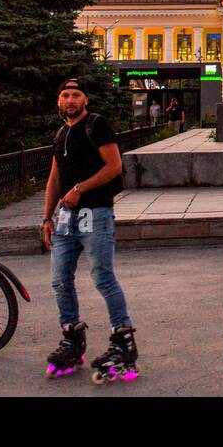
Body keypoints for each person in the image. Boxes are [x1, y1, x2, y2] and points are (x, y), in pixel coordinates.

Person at [42, 78, 138, 382]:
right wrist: (46, 217)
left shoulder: (96, 125)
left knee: (103, 277)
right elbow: (54, 178)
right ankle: (72, 337)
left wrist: (80, 189)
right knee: (60, 281)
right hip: (65, 219)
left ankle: (123, 341)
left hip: (96, 213)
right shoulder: (61, 133)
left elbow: (114, 166)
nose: (70, 100)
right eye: (65, 95)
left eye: (76, 95)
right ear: (59, 102)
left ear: (86, 100)